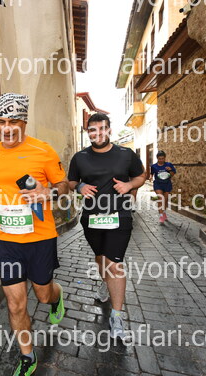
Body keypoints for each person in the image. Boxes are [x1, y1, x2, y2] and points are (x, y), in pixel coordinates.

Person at [0, 93, 70, 376]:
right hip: (7, 241)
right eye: (1, 122)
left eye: (13, 122)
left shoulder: (43, 151)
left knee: (43, 294)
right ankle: (28, 356)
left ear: (24, 122)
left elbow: (64, 186)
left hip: (40, 239)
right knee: (16, 304)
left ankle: (57, 296)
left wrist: (47, 193)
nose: (6, 129)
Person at [67, 113, 146, 340]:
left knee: (114, 263)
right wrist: (79, 186)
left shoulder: (125, 154)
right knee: (101, 258)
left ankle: (117, 316)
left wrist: (129, 185)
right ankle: (104, 283)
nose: (98, 133)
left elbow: (141, 176)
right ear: (88, 132)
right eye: (93, 130)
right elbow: (71, 181)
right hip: (92, 218)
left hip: (120, 216)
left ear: (109, 130)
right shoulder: (80, 157)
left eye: (102, 128)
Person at [150, 150, 176, 224]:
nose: (161, 160)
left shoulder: (169, 165)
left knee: (165, 200)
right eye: (160, 159)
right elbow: (152, 173)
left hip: (167, 184)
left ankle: (164, 212)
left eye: (163, 158)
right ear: (157, 158)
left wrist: (170, 170)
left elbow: (172, 174)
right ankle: (161, 216)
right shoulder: (154, 166)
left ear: (165, 158)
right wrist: (150, 177)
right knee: (160, 198)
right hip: (158, 184)